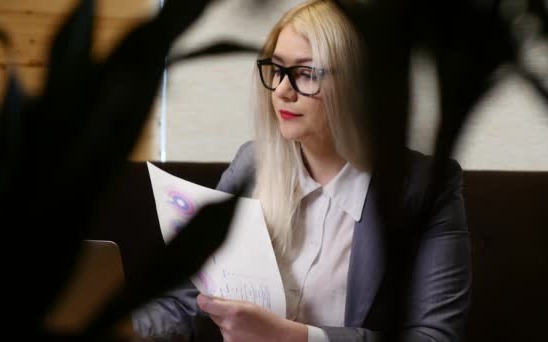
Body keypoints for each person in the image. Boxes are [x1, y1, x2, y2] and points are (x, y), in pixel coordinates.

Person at [133, 1, 471, 341]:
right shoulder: (253, 163)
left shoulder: (425, 188)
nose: (281, 90)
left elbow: (435, 337)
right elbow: (185, 301)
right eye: (277, 70)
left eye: (306, 73)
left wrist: (296, 337)